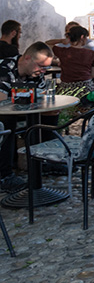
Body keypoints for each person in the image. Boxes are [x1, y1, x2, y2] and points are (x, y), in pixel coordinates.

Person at [0, 41, 54, 192]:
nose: (44, 71)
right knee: (6, 121)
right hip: (4, 114)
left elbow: (42, 98)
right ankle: (4, 175)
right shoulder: (5, 69)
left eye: (47, 67)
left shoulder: (35, 73)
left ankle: (43, 161)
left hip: (19, 111)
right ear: (27, 58)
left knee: (50, 115)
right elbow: (2, 103)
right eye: (41, 66)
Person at [52, 25, 94, 95]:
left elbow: (47, 43)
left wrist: (61, 41)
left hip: (66, 89)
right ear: (82, 37)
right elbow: (93, 75)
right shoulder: (91, 54)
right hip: (86, 89)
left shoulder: (62, 52)